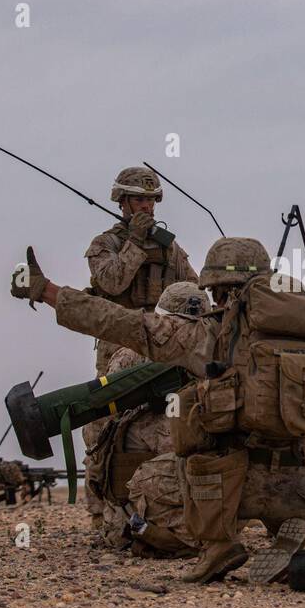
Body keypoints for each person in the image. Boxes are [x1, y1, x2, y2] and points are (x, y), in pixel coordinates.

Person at [12, 237, 305, 584]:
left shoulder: (211, 335)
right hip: (304, 483)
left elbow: (119, 322)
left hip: (235, 487)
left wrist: (45, 290)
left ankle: (218, 546)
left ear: (220, 291)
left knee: (161, 470)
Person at [80, 167, 199, 530]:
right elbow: (112, 281)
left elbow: (193, 290)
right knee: (103, 423)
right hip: (118, 342)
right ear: (122, 202)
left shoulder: (168, 247)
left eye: (150, 199)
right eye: (139, 199)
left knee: (161, 421)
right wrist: (134, 243)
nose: (146, 206)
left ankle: (153, 505)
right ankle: (101, 513)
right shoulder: (107, 245)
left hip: (160, 344)